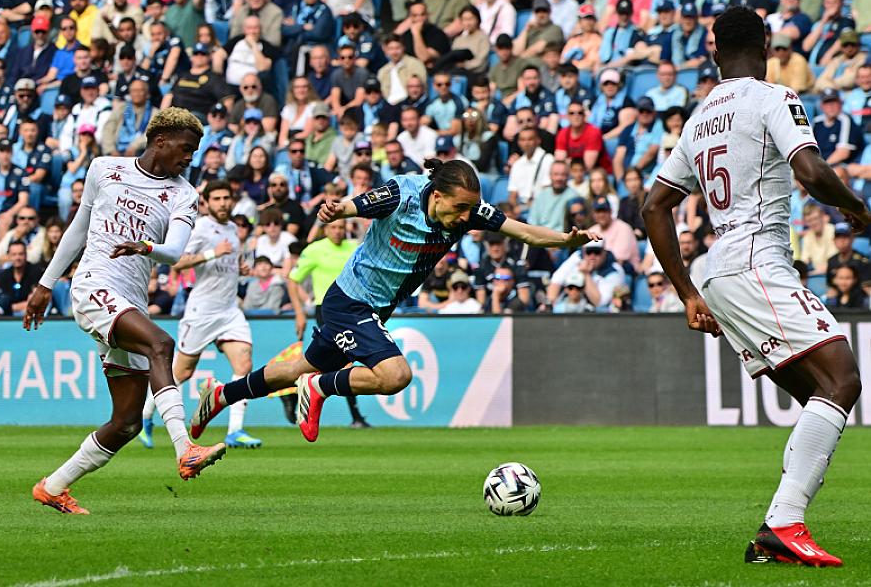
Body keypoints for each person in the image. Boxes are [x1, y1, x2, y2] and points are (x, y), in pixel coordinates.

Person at [642, 6, 871, 567]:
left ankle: (779, 528)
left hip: (718, 274)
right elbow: (812, 172)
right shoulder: (774, 98)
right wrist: (855, 205)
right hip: (757, 262)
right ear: (766, 45)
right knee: (842, 379)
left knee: (821, 394)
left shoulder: (698, 119)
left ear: (713, 50)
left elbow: (653, 206)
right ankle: (783, 524)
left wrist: (688, 294)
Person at [190, 160, 599, 442]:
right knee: (395, 375)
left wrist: (567, 240)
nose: (465, 218)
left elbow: (523, 232)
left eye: (469, 210)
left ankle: (222, 395)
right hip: (351, 302)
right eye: (458, 209)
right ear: (436, 196)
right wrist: (338, 210)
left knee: (295, 367)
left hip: (370, 308)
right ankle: (319, 387)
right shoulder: (402, 194)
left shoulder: (469, 210)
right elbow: (359, 203)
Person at [24, 108, 226, 515]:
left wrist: (146, 247)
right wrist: (46, 283)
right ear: (160, 139)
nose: (191, 157)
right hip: (93, 286)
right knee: (161, 343)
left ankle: (54, 486)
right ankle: (185, 449)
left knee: (127, 422)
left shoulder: (185, 193)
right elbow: (78, 228)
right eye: (186, 149)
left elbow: (173, 252)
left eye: (196, 151)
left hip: (130, 301)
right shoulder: (103, 168)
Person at [140, 180, 259, 450]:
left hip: (229, 311)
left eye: (227, 197)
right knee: (181, 372)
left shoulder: (232, 229)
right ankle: (146, 415)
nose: (223, 203)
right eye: (217, 198)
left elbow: (228, 262)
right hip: (202, 312)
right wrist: (211, 253)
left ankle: (235, 430)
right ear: (206, 202)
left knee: (243, 365)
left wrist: (240, 267)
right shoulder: (201, 228)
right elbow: (177, 261)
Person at [287, 219, 370, 427]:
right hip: (327, 310)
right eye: (333, 227)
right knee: (346, 359)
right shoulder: (314, 250)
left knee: (335, 362)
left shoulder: (352, 247)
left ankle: (293, 392)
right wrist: (299, 312)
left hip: (353, 309)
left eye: (341, 227)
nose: (337, 231)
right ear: (325, 229)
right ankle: (356, 417)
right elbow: (292, 279)